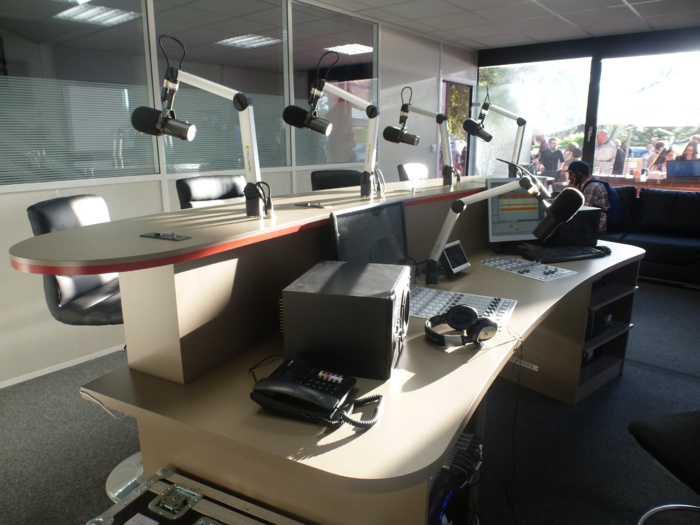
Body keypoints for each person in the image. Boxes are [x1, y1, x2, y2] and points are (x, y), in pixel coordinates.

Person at [564, 160, 611, 233]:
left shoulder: (592, 187)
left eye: (571, 174)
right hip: (589, 222)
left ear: (579, 174)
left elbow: (582, 211)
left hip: (597, 226)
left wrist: (571, 193)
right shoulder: (585, 185)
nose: (569, 178)